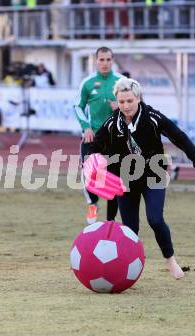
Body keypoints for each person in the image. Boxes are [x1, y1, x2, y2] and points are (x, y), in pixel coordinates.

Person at [88, 77, 195, 279]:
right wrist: (92, 161)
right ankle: (129, 269)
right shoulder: (113, 122)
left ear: (138, 98)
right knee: (130, 230)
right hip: (126, 179)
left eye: (130, 100)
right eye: (121, 102)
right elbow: (94, 145)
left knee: (155, 219)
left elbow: (179, 137)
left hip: (153, 174)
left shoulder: (153, 117)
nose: (126, 105)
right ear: (117, 102)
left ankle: (171, 261)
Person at [74, 46, 123, 224]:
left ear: (112, 61)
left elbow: (137, 106)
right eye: (101, 60)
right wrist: (85, 127)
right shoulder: (87, 83)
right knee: (89, 173)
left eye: (108, 60)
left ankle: (111, 220)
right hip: (92, 136)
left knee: (114, 178)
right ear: (96, 61)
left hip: (115, 138)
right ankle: (92, 204)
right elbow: (77, 106)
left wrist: (121, 108)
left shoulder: (122, 82)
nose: (105, 63)